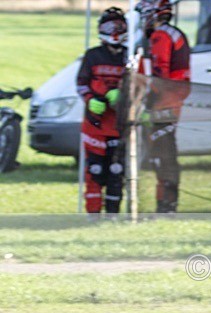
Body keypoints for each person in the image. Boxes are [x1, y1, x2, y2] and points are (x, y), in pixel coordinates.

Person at [136, 0, 191, 214]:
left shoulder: (161, 36)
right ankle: (167, 205)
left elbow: (160, 73)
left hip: (164, 104)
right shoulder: (174, 33)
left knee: (163, 155)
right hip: (171, 100)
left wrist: (146, 103)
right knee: (164, 153)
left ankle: (166, 206)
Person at [77, 7, 128, 220]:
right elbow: (81, 84)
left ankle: (113, 216)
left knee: (116, 171)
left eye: (119, 27)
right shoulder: (92, 56)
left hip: (119, 125)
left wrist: (124, 96)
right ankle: (93, 215)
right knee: (96, 170)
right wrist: (91, 100)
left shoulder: (129, 56)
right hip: (95, 125)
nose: (114, 32)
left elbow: (140, 86)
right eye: (109, 27)